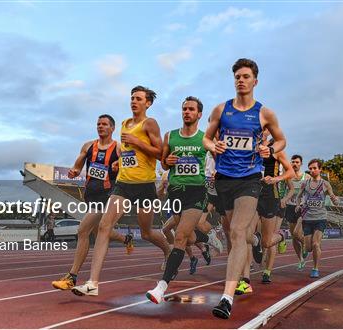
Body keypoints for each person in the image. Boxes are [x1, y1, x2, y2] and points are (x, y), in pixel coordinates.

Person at [203, 58, 286, 319]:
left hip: (250, 179)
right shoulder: (221, 110)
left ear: (255, 81)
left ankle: (227, 298)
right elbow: (207, 137)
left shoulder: (264, 114)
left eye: (246, 76)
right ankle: (252, 251)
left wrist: (270, 149)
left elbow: (282, 140)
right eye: (237, 76)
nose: (241, 80)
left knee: (239, 231)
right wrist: (211, 146)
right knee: (232, 233)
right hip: (224, 180)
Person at [71, 86, 170, 296]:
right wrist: (119, 164)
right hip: (124, 184)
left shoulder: (150, 123)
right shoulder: (125, 123)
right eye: (132, 98)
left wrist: (137, 142)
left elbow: (160, 153)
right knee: (105, 226)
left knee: (146, 232)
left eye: (139, 99)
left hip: (144, 185)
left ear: (148, 103)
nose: (134, 101)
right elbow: (128, 153)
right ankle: (93, 283)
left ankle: (168, 251)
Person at [51, 114, 133, 291]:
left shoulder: (118, 148)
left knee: (83, 230)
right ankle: (126, 239)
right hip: (92, 196)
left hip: (110, 196)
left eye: (104, 124)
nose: (100, 127)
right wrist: (74, 172)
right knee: (101, 230)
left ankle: (72, 276)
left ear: (112, 128)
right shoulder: (88, 146)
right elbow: (77, 167)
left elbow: (130, 165)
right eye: (98, 124)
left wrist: (119, 164)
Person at [146, 96, 212, 304]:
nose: (187, 112)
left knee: (181, 236)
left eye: (191, 109)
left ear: (199, 114)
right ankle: (206, 240)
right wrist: (168, 161)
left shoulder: (204, 138)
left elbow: (221, 158)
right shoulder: (170, 136)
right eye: (184, 109)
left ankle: (161, 286)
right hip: (175, 192)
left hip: (195, 191)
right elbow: (164, 165)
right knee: (190, 237)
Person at [256, 132, 295, 284]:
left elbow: (290, 173)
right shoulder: (250, 150)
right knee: (250, 233)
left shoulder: (276, 151)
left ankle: (267, 271)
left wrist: (275, 179)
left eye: (263, 129)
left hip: (271, 198)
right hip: (252, 196)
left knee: (267, 241)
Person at [295, 159, 338, 278]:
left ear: (320, 169)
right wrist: (298, 205)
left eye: (314, 168)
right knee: (308, 248)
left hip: (320, 218)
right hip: (307, 218)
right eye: (310, 168)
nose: (312, 170)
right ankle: (306, 249)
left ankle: (315, 268)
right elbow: (298, 197)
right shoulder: (305, 183)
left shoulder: (325, 184)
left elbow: (334, 198)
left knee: (316, 244)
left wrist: (335, 200)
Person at [280, 154, 311, 270]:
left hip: (303, 207)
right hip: (290, 207)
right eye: (293, 162)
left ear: (301, 164)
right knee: (293, 236)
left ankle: (305, 244)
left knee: (298, 233)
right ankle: (301, 260)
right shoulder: (288, 176)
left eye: (297, 162)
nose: (295, 164)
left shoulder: (307, 177)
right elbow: (283, 190)